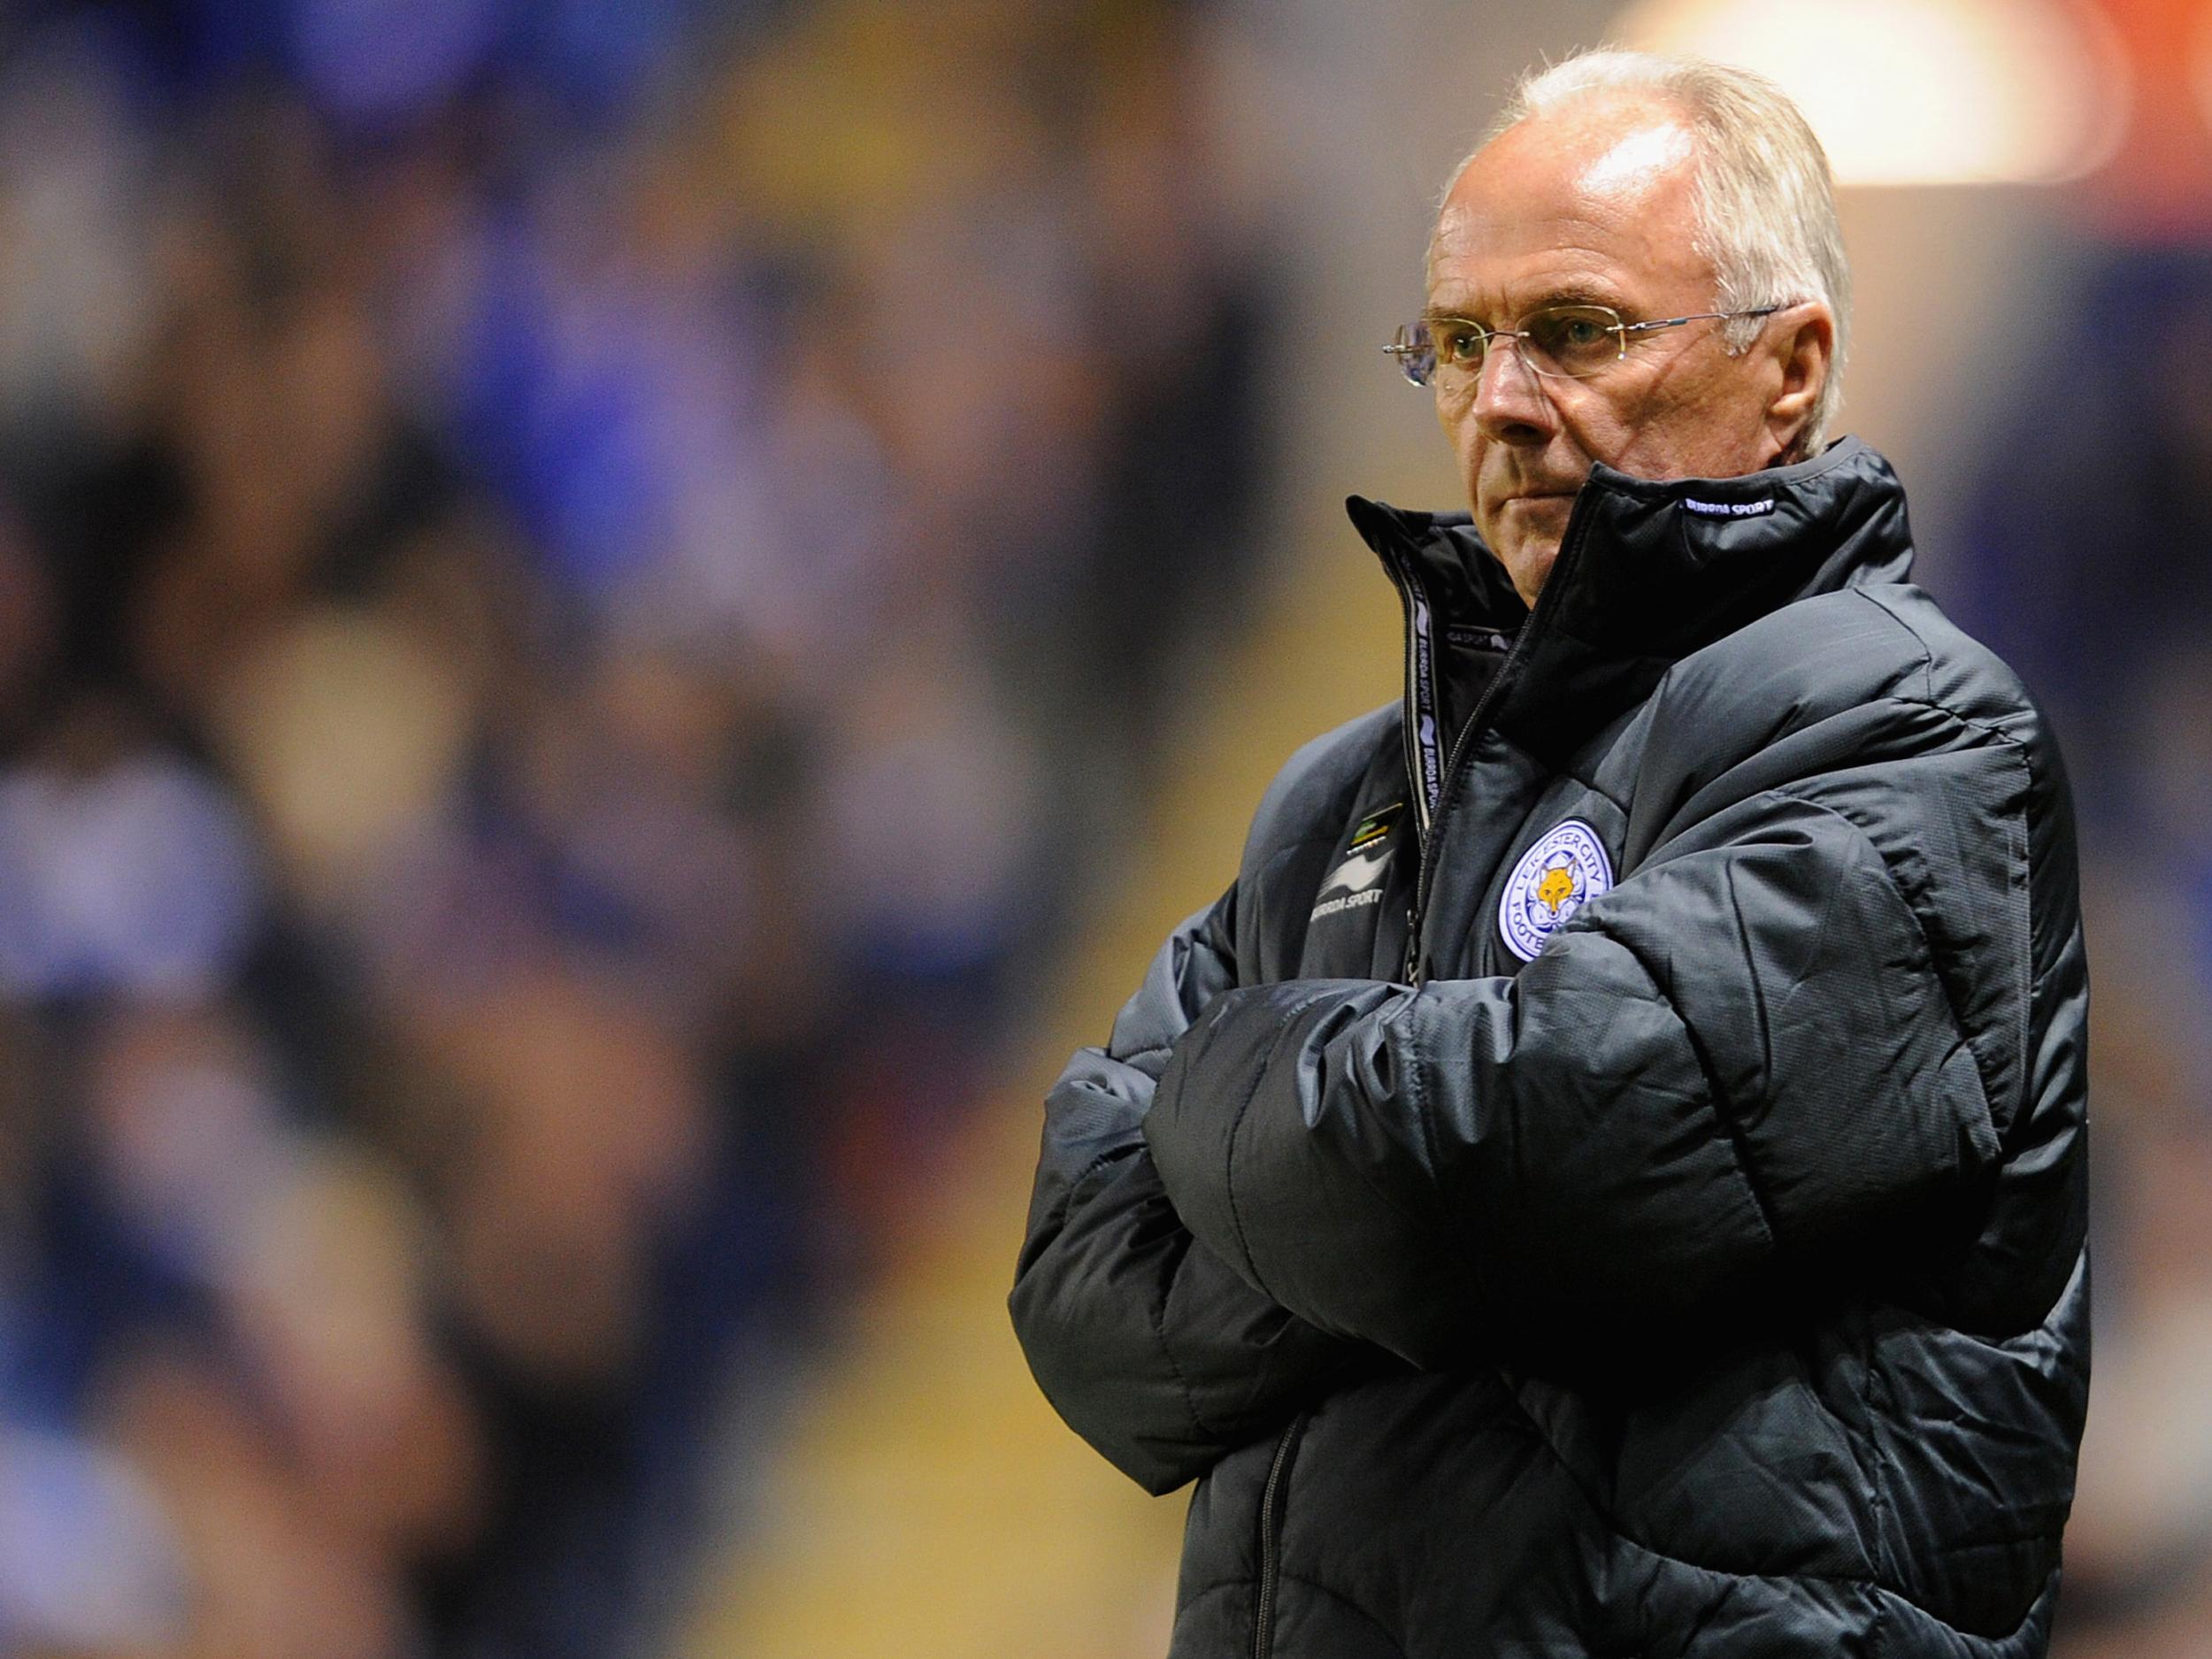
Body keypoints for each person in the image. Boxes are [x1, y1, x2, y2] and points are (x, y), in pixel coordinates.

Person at [1008, 47, 2089, 1659]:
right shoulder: (1338, 797)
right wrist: (1376, 1177)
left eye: (1578, 331)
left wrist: (1233, 1090)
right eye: (1460, 343)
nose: (1504, 403)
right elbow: (1089, 1297)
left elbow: (1522, 1167)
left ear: (1790, 367)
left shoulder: (1913, 733)